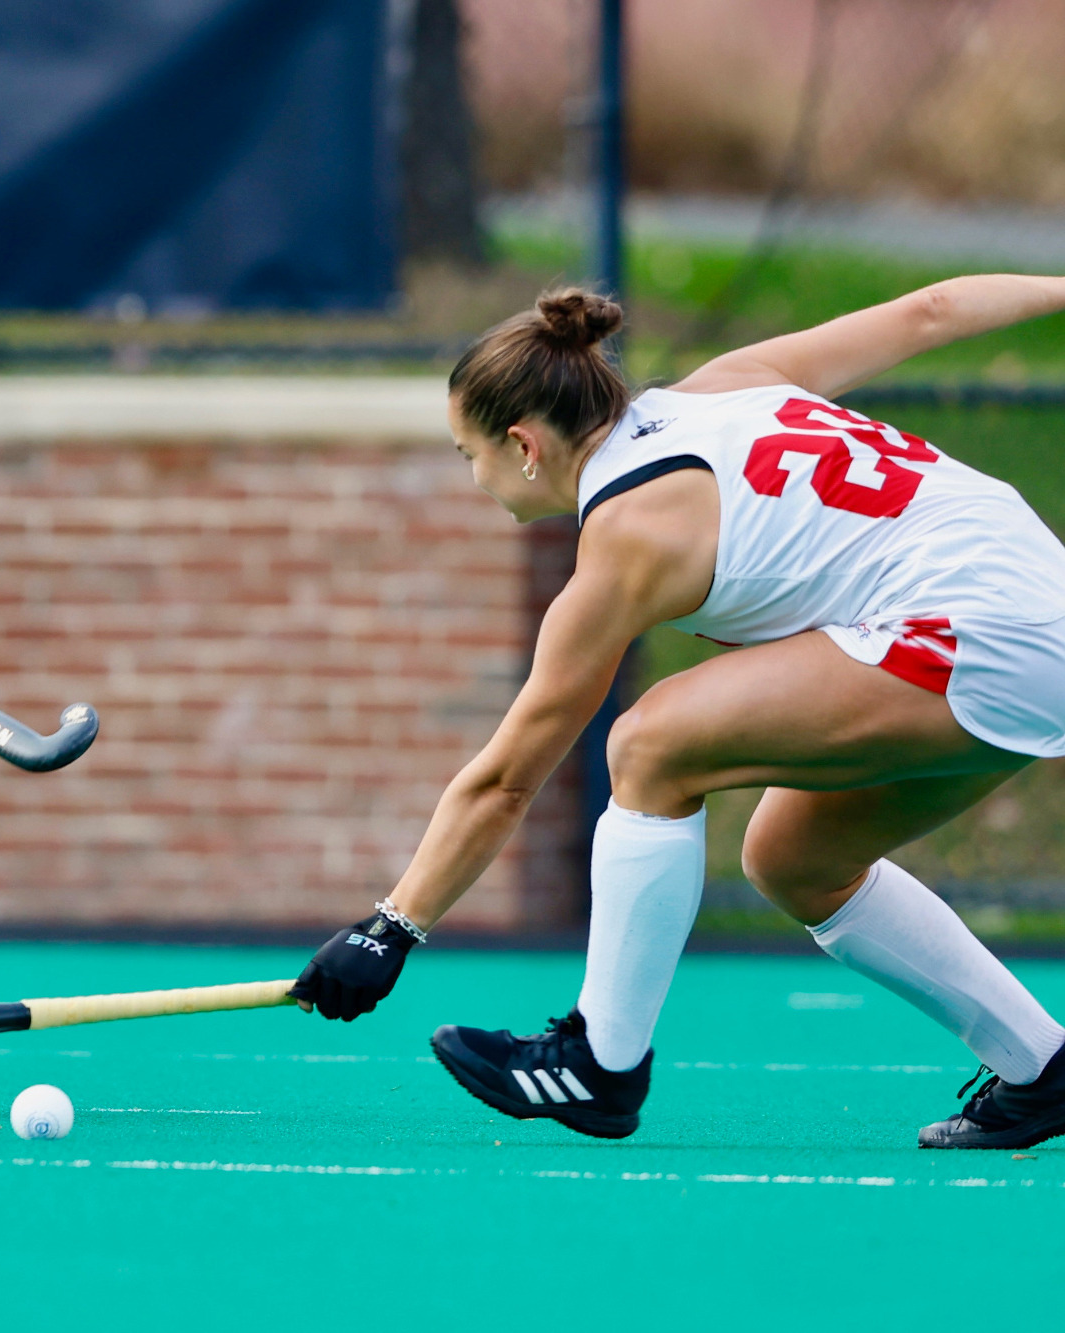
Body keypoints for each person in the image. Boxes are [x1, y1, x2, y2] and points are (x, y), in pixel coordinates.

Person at [289, 280, 1065, 1150]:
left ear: (524, 444)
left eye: (468, 451)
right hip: (1033, 604)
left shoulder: (626, 536)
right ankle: (1045, 1067)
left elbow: (509, 777)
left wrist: (391, 927)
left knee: (652, 743)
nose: (473, 476)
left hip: (981, 629)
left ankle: (600, 1063)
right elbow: (931, 311)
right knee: (796, 858)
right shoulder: (727, 381)